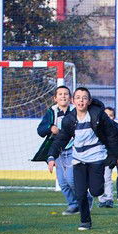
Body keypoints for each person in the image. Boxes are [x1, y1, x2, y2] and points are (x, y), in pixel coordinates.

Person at [47, 88, 118, 230]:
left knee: (97, 191)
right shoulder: (69, 119)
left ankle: (93, 195)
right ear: (73, 101)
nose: (81, 100)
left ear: (89, 101)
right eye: (78, 97)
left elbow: (111, 136)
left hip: (97, 157)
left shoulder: (98, 115)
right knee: (80, 193)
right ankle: (85, 221)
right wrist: (51, 156)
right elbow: (61, 139)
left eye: (84, 98)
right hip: (78, 159)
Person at [33, 85, 84, 215]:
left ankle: (85, 200)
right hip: (58, 151)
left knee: (71, 179)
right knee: (62, 182)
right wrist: (50, 128)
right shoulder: (51, 112)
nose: (63, 96)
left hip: (73, 149)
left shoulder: (76, 111)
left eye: (66, 94)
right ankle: (73, 205)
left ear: (71, 98)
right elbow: (40, 130)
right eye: (60, 94)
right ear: (55, 98)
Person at [98, 106, 118, 208]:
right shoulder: (97, 128)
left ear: (114, 117)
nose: (108, 117)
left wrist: (115, 157)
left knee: (107, 179)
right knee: (98, 179)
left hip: (109, 158)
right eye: (106, 115)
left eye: (111, 115)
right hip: (97, 158)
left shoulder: (115, 129)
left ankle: (109, 199)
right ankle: (101, 199)